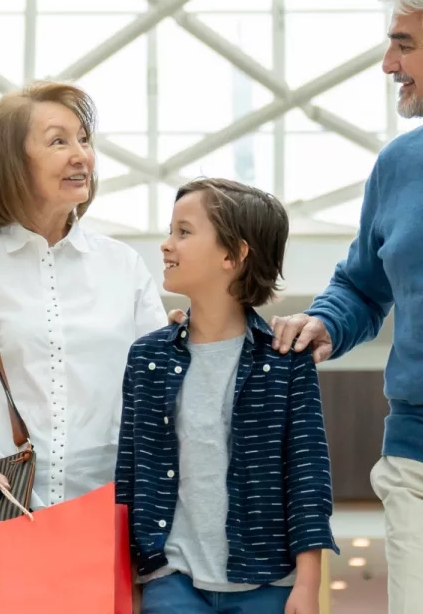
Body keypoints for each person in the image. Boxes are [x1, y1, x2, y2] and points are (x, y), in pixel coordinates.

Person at [0, 81, 167, 514]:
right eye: (58, 142)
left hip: (105, 511)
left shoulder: (124, 266)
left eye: (83, 140)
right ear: (13, 162)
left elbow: (157, 391)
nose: (81, 155)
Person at [268, 0, 423, 614]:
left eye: (405, 44)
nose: (388, 64)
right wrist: (328, 319)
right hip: (418, 459)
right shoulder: (398, 167)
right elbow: (361, 285)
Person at [116, 178, 336, 614]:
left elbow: (307, 478)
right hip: (170, 581)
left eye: (184, 231)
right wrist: (130, 583)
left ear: (232, 255)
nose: (166, 244)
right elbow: (130, 475)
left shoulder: (286, 361)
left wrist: (308, 585)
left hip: (268, 583)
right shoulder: (147, 358)